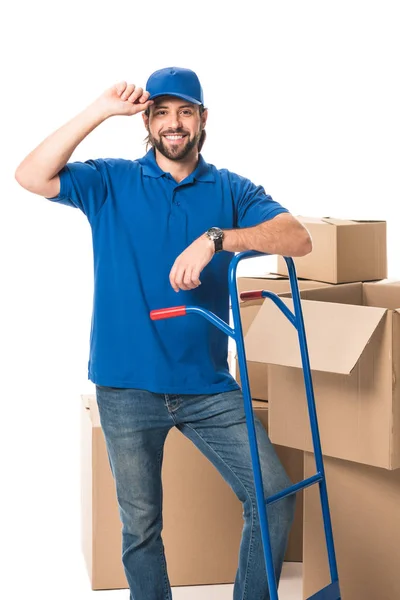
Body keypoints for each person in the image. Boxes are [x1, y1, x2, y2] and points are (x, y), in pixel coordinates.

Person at [15, 66, 312, 600]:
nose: (174, 123)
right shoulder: (110, 180)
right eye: (162, 112)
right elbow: (30, 176)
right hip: (126, 387)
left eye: (185, 112)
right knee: (140, 530)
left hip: (207, 387)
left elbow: (297, 238)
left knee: (273, 493)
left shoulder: (230, 188)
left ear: (202, 120)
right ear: (147, 121)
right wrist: (100, 110)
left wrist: (216, 239)